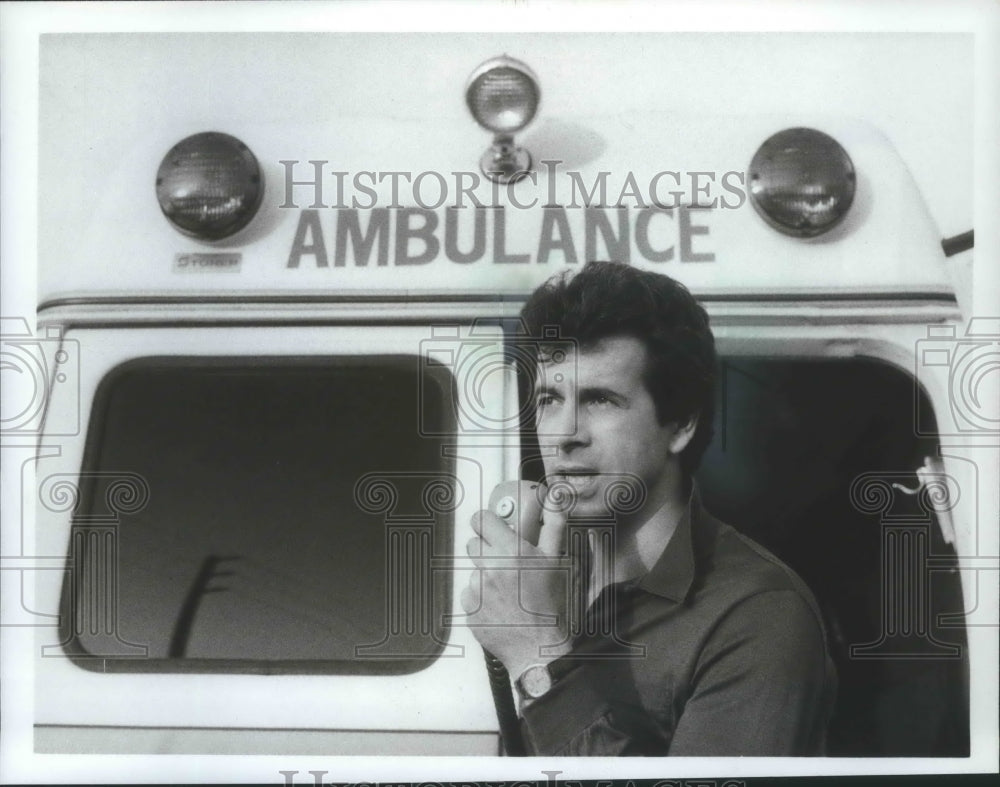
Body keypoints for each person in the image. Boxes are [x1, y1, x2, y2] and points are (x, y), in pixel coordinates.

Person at [461, 260, 837, 756]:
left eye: (600, 400)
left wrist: (538, 660)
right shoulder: (544, 578)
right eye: (550, 399)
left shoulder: (759, 616)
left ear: (679, 425)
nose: (564, 435)